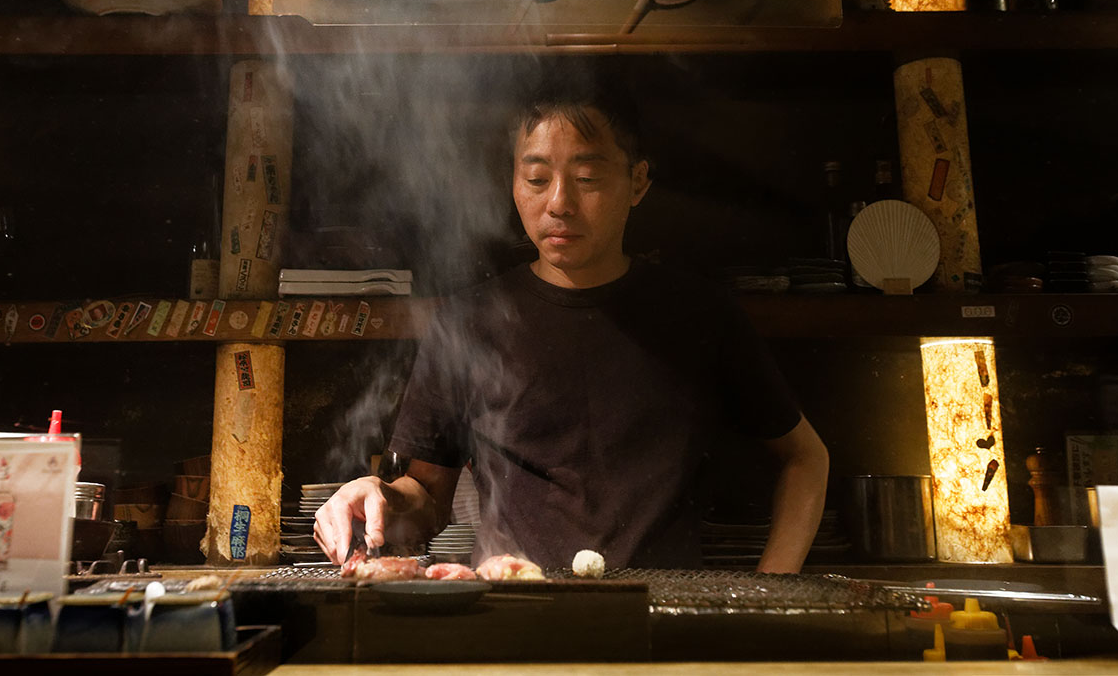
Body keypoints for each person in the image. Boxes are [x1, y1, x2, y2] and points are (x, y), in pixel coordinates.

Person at [315, 79, 829, 572]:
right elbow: (426, 500)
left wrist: (772, 586)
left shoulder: (699, 314)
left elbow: (805, 457)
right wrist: (373, 496)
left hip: (663, 621)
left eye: (587, 179)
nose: (559, 203)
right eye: (537, 179)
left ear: (638, 183)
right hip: (515, 617)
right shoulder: (469, 322)